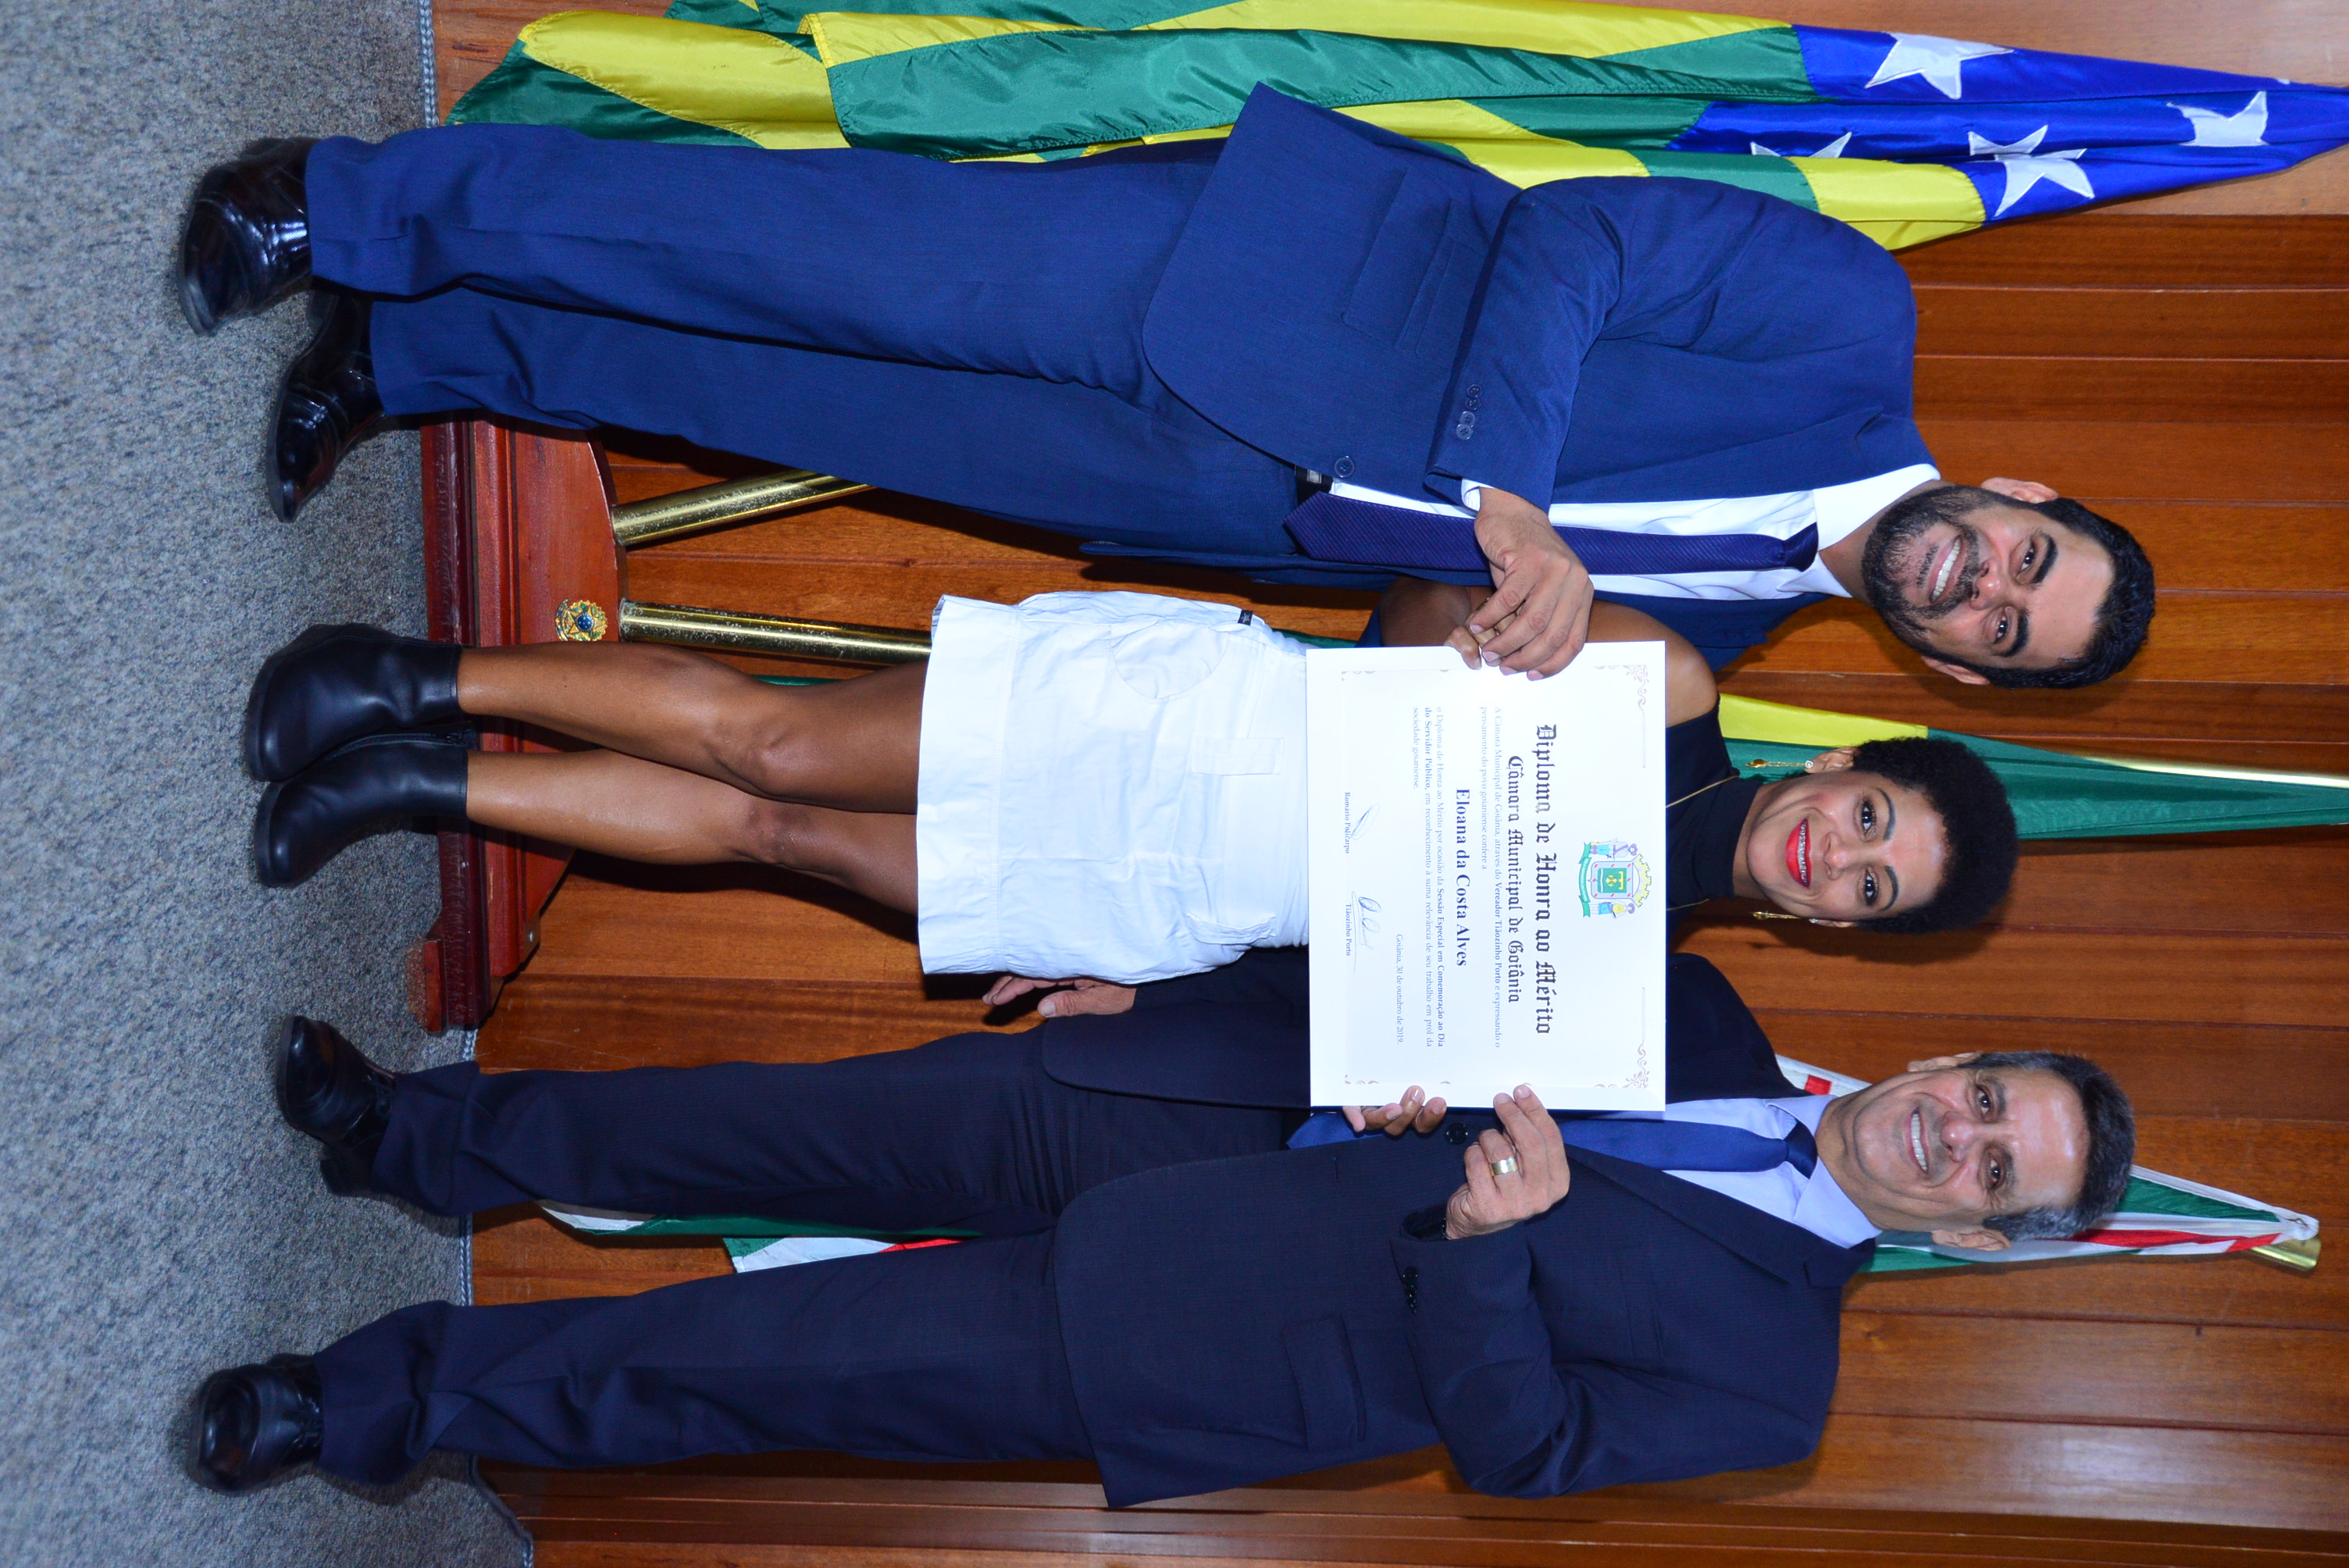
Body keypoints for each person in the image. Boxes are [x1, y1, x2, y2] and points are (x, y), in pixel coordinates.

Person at [176, 87, 2153, 686]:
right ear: (2026, 493)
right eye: (2023, 559)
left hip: (1213, 493)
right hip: (1253, 277)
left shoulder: (1722, 640)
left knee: (787, 396)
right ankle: (342, 202)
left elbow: (1430, 631)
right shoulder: (1847, 324)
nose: (1981, 583)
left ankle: (415, 351)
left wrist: (1484, 660)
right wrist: (1521, 502)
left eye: (2003, 625)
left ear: (1965, 672)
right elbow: (1579, 244)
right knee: (780, 250)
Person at [190, 961, 2134, 1498]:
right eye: (1985, 1095)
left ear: (1979, 1238)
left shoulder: (1772, 1382)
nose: (1956, 1133)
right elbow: (1403, 951)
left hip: (1196, 1333)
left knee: (740, 1365)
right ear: (1946, 1053)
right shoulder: (1692, 1001)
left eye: (1993, 1169)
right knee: (754, 1118)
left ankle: (367, 1409)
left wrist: (1485, 1246)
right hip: (1175, 1099)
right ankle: (409, 1131)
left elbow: (1526, 1450)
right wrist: (1174, 987)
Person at [241, 588, 2019, 982]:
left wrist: (1146, 987)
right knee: (780, 744)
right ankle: (406, 674)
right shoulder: (1676, 689)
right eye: (1871, 817)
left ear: (1836, 930)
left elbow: (1352, 990)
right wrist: (1475, 644)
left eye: (1871, 887)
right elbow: (1410, 607)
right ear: (1842, 763)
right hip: (1187, 731)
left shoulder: (1621, 989)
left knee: (784, 838)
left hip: (1177, 903)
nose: (1834, 856)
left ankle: (417, 786)